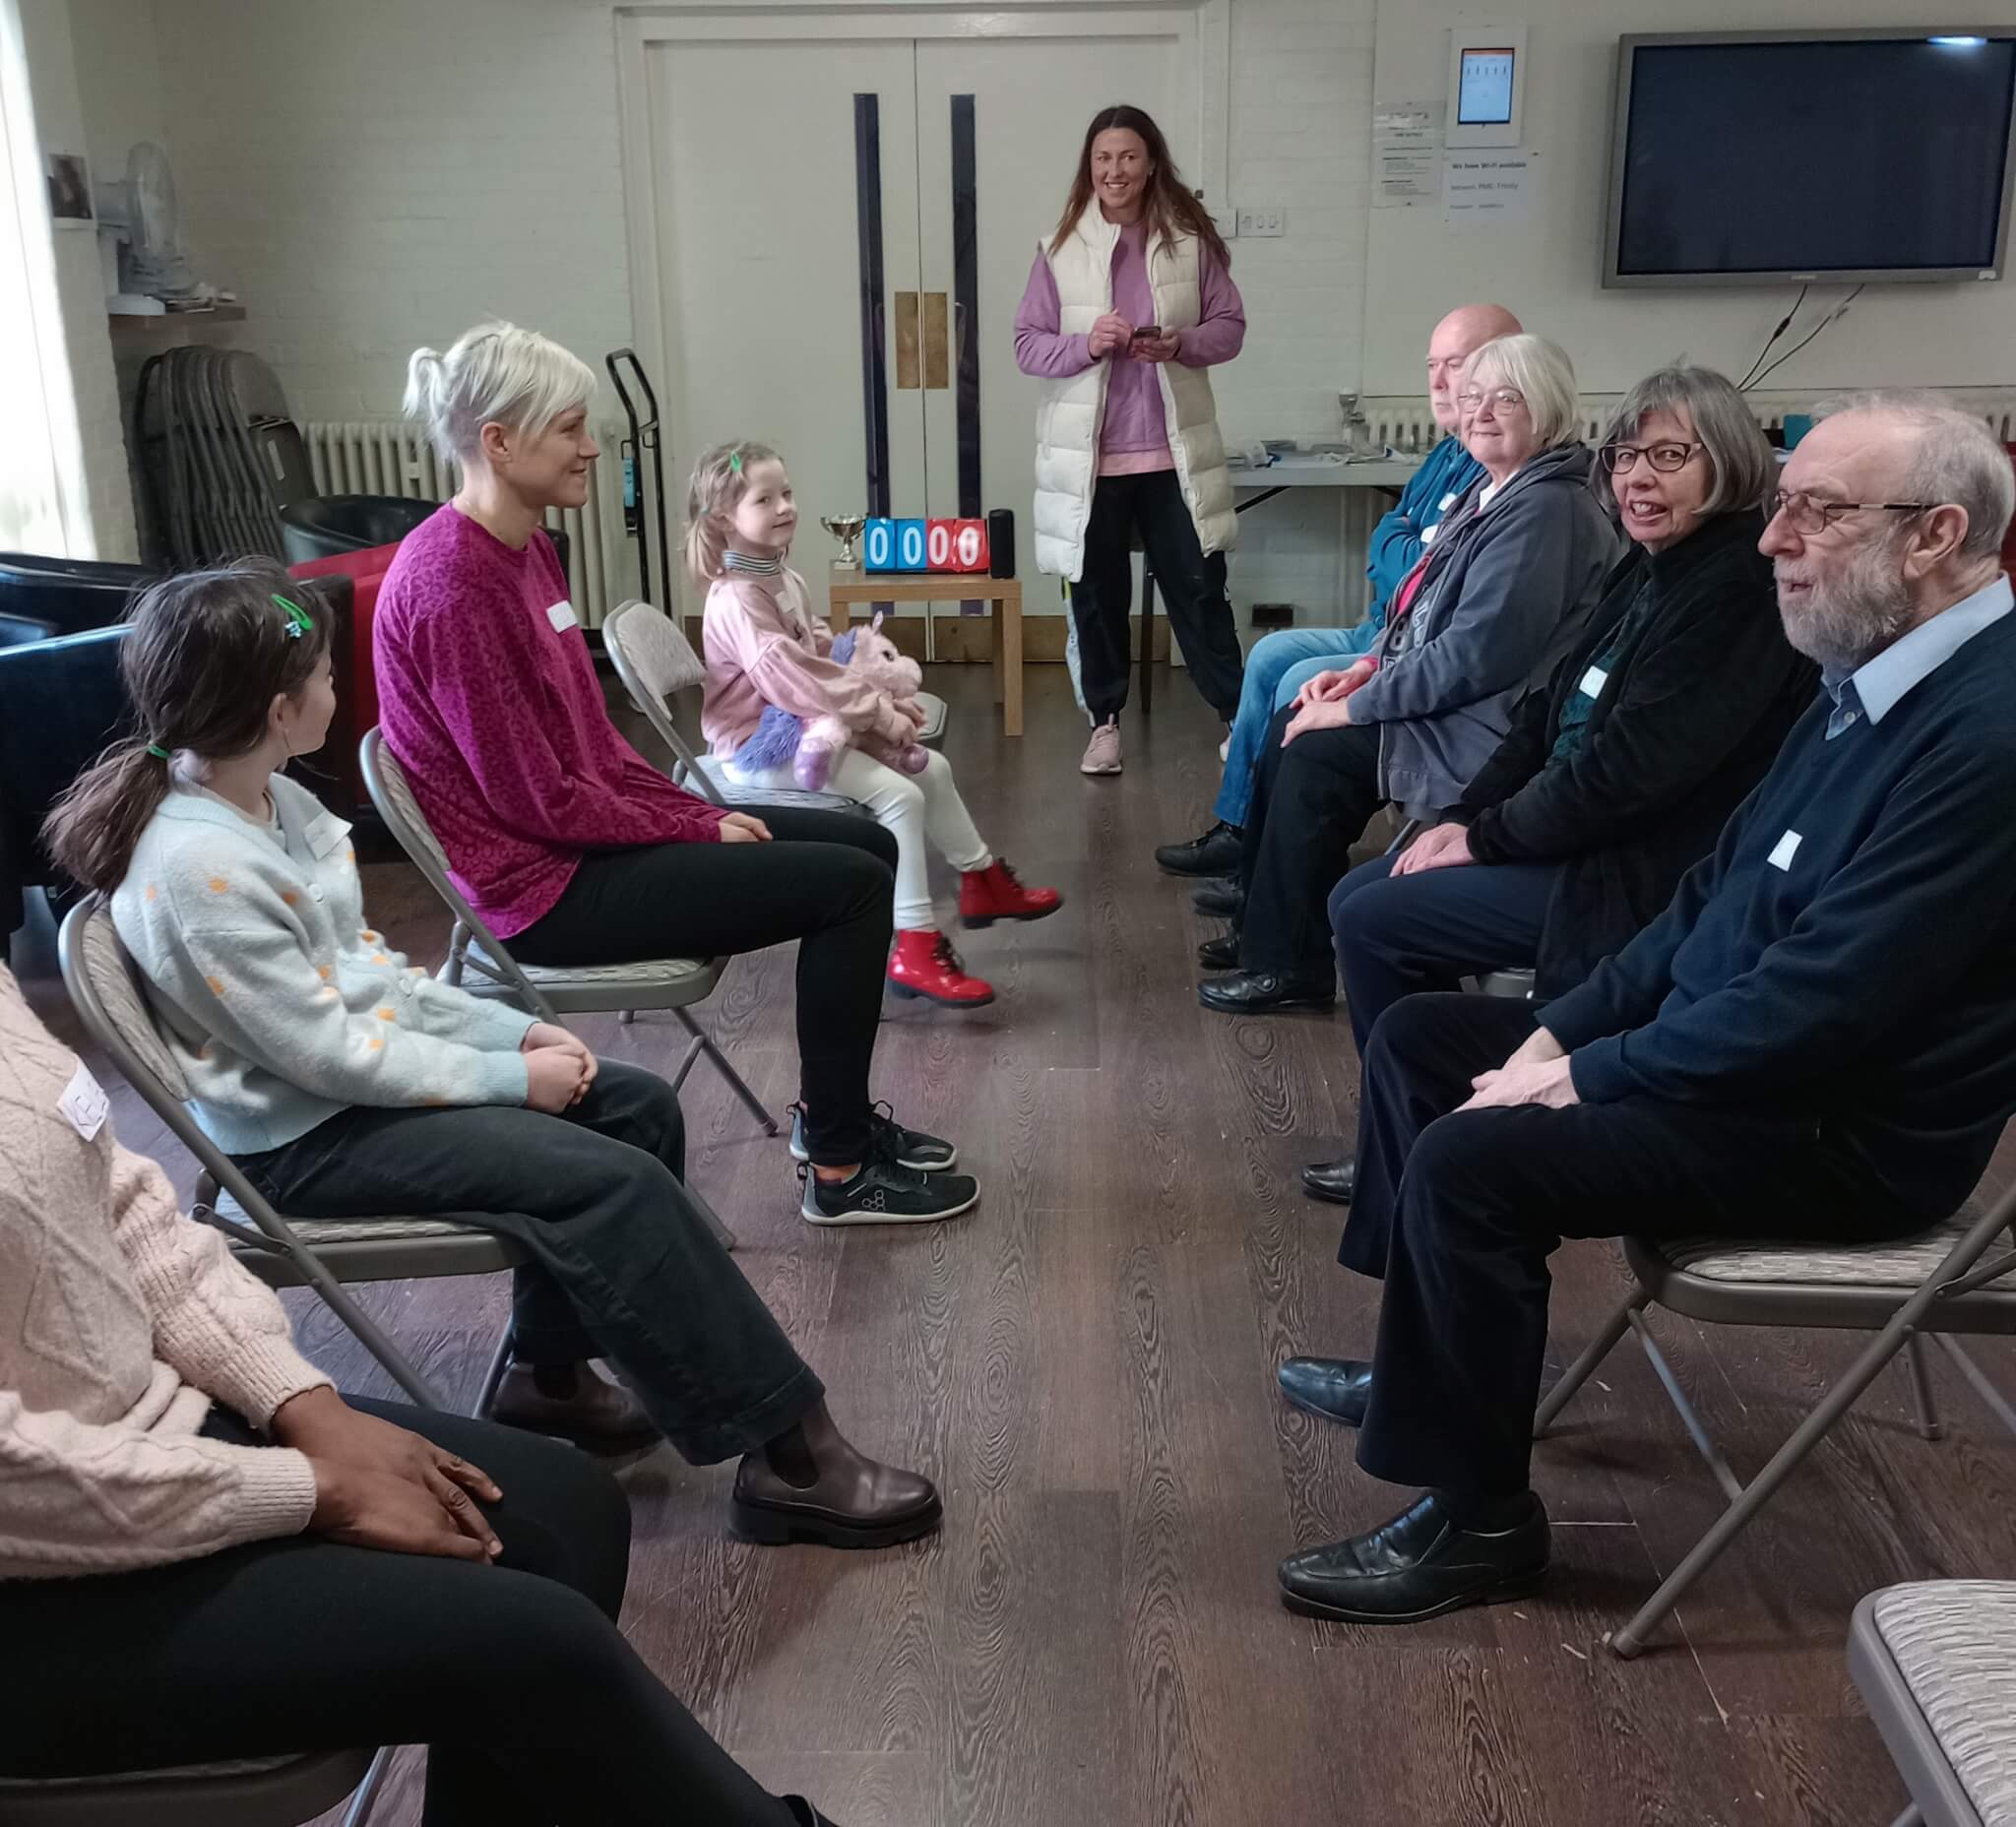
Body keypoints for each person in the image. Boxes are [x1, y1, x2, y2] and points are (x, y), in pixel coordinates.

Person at [1272, 393, 2016, 1626]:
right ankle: (1425, 1368)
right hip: (1753, 1066)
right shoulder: (1872, 676)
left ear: (1936, 534)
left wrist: (1596, 1071)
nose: (1772, 538)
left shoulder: (1984, 734)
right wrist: (1565, 1031)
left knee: (1472, 1162)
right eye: (1779, 505)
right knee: (1423, 1038)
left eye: (1813, 512)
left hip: (1839, 1135)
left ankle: (1481, 1520)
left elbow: (1827, 1002)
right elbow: (1704, 899)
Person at [44, 562, 942, 1552]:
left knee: (634, 1108)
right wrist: (512, 1078)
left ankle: (545, 1379)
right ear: (276, 707)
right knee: (613, 1183)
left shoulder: (275, 806)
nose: (340, 689)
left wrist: (509, 1029)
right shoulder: (198, 867)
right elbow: (328, 1053)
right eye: (323, 675)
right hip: (300, 1139)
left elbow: (373, 982)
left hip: (336, 1092)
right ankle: (788, 1452)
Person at [0, 965, 849, 1826]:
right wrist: (311, 1491)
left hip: (149, 1423)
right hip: (41, 1559)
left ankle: (634, 1398)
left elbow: (129, 1212)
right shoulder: (190, 860)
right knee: (534, 1650)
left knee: (571, 1511)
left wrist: (309, 1409)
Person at [373, 321, 976, 1227]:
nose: (591, 446)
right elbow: (536, 798)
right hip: (544, 888)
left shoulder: (528, 544)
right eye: (571, 428)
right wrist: (695, 823)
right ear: (497, 442)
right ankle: (843, 1170)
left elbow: (592, 740)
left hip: (582, 839)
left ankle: (829, 1126)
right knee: (851, 887)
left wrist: (688, 810)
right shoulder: (451, 585)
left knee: (864, 842)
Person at [1301, 366, 1815, 1205]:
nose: (1637, 478)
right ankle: (1432, 1128)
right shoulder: (1648, 568)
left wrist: (1484, 837)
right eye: (1623, 457)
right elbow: (1543, 715)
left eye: (1669, 456)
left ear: (1727, 462)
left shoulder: (1735, 594)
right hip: (1569, 835)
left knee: (1372, 913)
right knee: (1369, 892)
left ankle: (1427, 1148)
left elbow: (1629, 777)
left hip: (1640, 872)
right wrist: (1463, 816)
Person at [1198, 335, 1620, 1014]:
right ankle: (1266, 934)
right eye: (1474, 396)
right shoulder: (1495, 489)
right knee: (1293, 728)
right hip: (1447, 704)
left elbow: (1479, 656)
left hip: (1490, 726)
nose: (1480, 412)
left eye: (1504, 398)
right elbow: (1416, 605)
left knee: (1314, 755)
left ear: (1546, 409)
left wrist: (1359, 707)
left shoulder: (1547, 510)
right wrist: (1363, 669)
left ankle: (1288, 962)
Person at [1155, 302, 1521, 879]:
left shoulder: (1497, 464)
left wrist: (1400, 548)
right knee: (1272, 653)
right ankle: (1242, 830)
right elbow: (1392, 537)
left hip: (1408, 647)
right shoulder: (1450, 450)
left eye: (1458, 364)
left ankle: (1268, 861)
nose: (1440, 380)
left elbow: (1422, 572)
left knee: (1299, 680)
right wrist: (1402, 546)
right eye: (1433, 364)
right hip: (1380, 629)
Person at [690, 440, 1061, 1010]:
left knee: (930, 766)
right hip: (756, 751)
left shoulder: (781, 577)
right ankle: (913, 945)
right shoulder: (738, 597)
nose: (785, 507)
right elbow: (794, 680)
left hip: (802, 727)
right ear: (724, 518)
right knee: (899, 798)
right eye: (764, 499)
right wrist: (875, 713)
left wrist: (878, 695)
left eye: (786, 493)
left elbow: (821, 652)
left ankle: (981, 880)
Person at [1014, 102, 1246, 777]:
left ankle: (1238, 717)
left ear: (1151, 165)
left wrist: (1180, 343)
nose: (1115, 170)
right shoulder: (1058, 248)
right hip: (1089, 463)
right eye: (1103, 159)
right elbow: (1028, 345)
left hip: (1172, 454)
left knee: (1200, 588)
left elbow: (1229, 327)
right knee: (1095, 594)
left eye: (1128, 158)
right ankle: (1104, 722)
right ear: (1090, 168)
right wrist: (1086, 345)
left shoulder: (1188, 243)